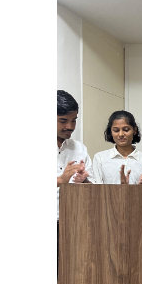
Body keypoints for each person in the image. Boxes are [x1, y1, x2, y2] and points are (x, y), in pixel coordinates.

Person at [90, 111, 142, 185]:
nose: (121, 134)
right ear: (111, 132)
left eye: (126, 130)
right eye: (116, 130)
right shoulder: (100, 158)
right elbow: (97, 189)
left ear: (134, 130)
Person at [56, 90, 92, 218]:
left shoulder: (80, 148)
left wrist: (84, 180)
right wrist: (61, 180)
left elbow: (93, 188)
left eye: (74, 120)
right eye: (63, 121)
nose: (70, 126)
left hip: (74, 220)